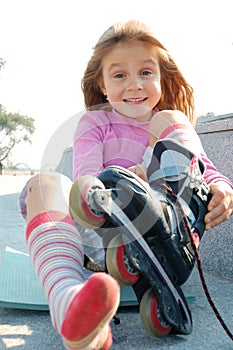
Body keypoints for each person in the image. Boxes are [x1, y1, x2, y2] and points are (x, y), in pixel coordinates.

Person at [19, 20, 233, 349]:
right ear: (102, 85)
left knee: (171, 120)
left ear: (162, 78)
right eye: (119, 75)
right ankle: (71, 306)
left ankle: (170, 237)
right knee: (44, 183)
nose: (134, 85)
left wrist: (220, 187)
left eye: (146, 72)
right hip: (101, 235)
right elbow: (85, 189)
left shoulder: (169, 125)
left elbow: (202, 167)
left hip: (164, 228)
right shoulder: (95, 121)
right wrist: (125, 181)